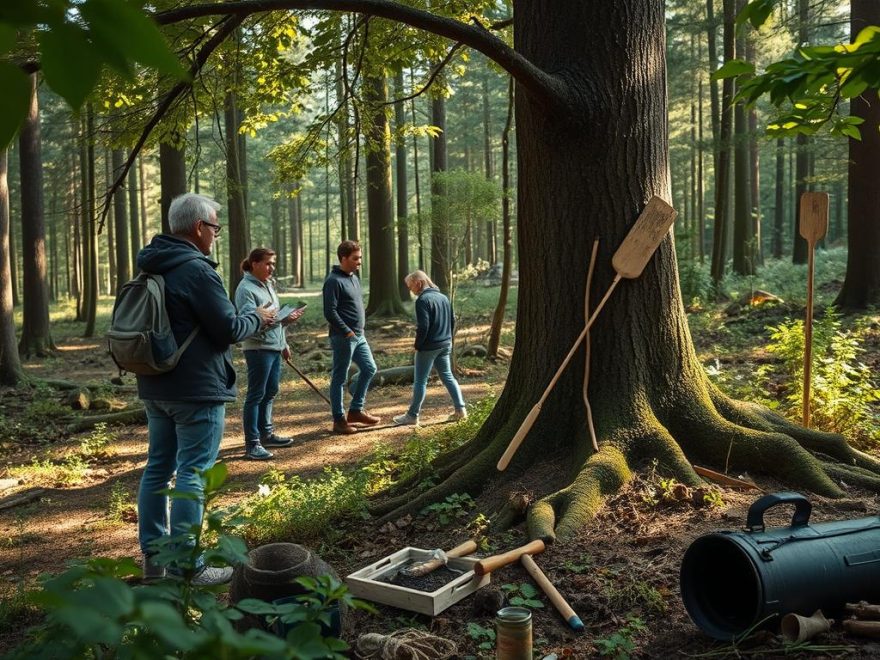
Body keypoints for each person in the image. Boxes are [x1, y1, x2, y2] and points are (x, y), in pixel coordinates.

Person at [135, 193, 274, 585]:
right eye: (215, 226)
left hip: (155, 382)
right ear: (199, 228)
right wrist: (258, 317)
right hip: (196, 388)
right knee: (193, 473)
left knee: (158, 468)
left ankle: (154, 561)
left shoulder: (152, 263)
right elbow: (228, 329)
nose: (216, 234)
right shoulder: (196, 270)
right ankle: (186, 567)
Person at [234, 247, 304, 460]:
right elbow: (249, 322)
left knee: (270, 391)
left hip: (274, 346)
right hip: (257, 348)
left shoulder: (268, 285)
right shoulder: (245, 289)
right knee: (256, 394)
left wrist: (284, 340)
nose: (271, 267)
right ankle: (252, 443)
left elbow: (274, 317)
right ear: (254, 263)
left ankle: (267, 434)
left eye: (273, 263)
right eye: (267, 263)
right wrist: (280, 321)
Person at [392, 270, 467, 426]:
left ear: (419, 283)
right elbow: (452, 320)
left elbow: (423, 326)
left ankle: (412, 415)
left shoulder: (422, 300)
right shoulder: (443, 297)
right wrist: (448, 338)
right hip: (445, 344)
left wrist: (418, 345)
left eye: (410, 286)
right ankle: (461, 410)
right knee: (448, 376)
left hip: (428, 347)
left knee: (420, 381)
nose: (410, 290)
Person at [322, 240, 379, 435]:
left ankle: (355, 411)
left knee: (370, 368)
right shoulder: (333, 281)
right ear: (343, 258)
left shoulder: (354, 278)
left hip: (359, 336)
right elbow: (330, 311)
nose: (359, 262)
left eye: (360, 258)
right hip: (343, 337)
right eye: (355, 258)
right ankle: (339, 420)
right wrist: (346, 330)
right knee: (339, 377)